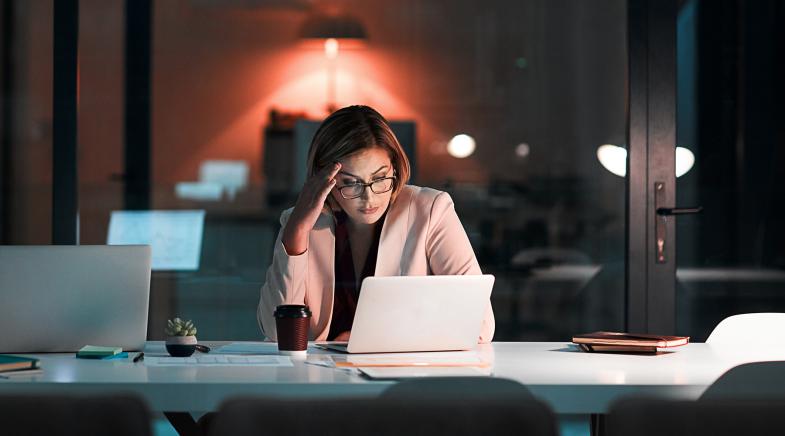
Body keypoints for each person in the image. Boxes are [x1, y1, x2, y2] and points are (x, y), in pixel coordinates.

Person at [257, 105, 494, 343]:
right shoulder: (300, 223)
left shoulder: (430, 209)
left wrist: (369, 337)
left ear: (395, 167)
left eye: (380, 178)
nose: (368, 198)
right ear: (324, 180)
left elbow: (479, 324)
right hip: (319, 375)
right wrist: (298, 230)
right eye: (351, 183)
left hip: (401, 373)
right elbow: (276, 333)